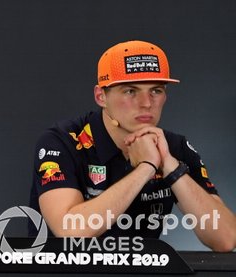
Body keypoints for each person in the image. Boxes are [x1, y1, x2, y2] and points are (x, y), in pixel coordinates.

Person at [30, 40, 236, 251]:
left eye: (155, 90)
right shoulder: (63, 141)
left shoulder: (174, 148)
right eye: (130, 91)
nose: (146, 102)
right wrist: (147, 167)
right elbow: (70, 231)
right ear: (101, 96)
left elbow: (226, 239)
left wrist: (169, 166)